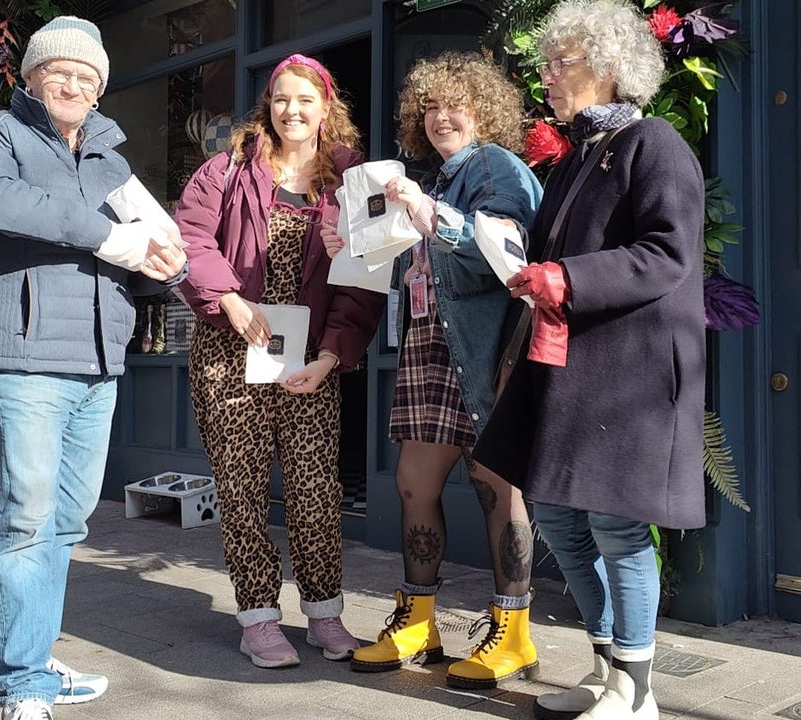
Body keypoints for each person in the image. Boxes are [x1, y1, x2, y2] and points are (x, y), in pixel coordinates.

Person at [474, 1, 707, 718]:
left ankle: (637, 696)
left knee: (616, 524)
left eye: (558, 63)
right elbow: (551, 258)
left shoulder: (654, 142)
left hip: (627, 376)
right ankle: (607, 668)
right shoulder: (580, 155)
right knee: (560, 517)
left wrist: (567, 279)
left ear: (607, 68)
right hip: (568, 365)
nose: (545, 76)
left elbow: (668, 254)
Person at [0, 16, 188, 720]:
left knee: (65, 522)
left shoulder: (112, 162)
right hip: (25, 354)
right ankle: (24, 685)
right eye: (61, 71)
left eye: (89, 78)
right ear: (30, 76)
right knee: (27, 519)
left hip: (98, 362)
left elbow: (125, 258)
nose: (75, 84)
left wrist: (161, 264)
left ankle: (23, 659)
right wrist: (114, 238)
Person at [328, 51, 543, 689]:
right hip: (427, 343)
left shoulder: (498, 168)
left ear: (484, 111)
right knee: (414, 484)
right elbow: (422, 270)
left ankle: (515, 633)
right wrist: (359, 251)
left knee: (497, 487)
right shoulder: (437, 178)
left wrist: (430, 215)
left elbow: (504, 256)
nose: (442, 116)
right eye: (431, 106)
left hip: (483, 347)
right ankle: (418, 621)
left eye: (457, 104)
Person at [173, 54, 384, 669]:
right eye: (282, 99)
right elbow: (189, 236)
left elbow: (363, 275)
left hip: (309, 359)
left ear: (326, 108)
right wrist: (228, 299)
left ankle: (324, 615)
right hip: (230, 350)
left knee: (316, 488)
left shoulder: (349, 179)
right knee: (240, 489)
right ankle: (260, 618)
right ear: (270, 104)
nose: (293, 110)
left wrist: (332, 355)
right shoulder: (229, 169)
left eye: (306, 100)